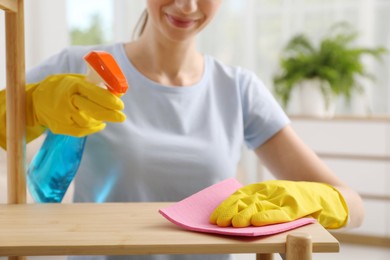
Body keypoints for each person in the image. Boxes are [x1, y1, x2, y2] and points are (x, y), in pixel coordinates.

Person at [0, 0, 364, 259]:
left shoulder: (238, 89)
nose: (187, 5)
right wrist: (32, 106)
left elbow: (354, 204)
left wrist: (310, 200)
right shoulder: (80, 67)